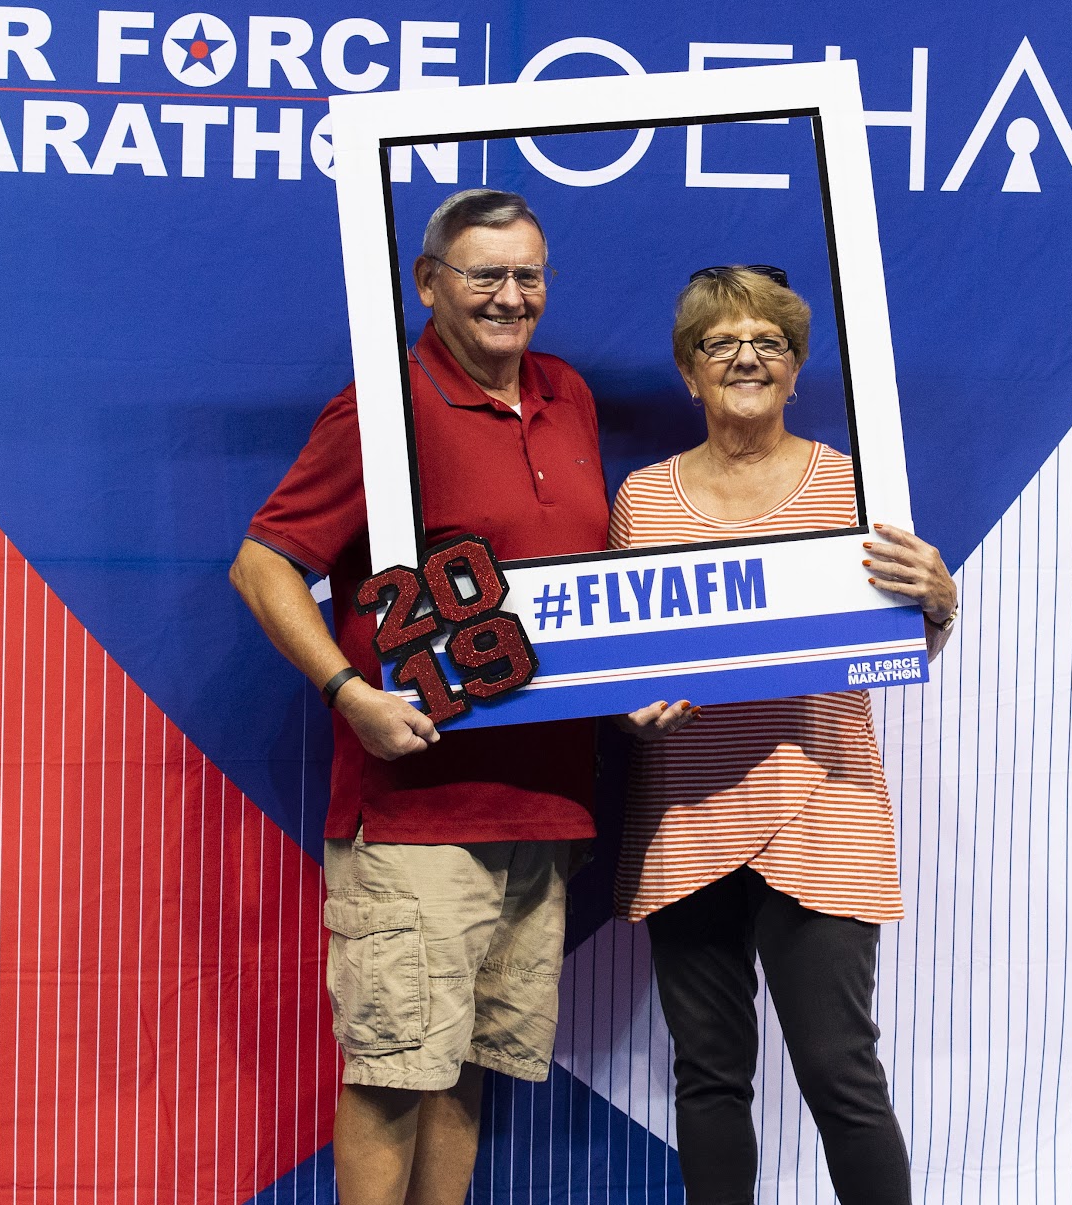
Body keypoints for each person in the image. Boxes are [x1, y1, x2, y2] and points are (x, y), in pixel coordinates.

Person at [230, 189, 611, 1205]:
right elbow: (263, 565)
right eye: (484, 275)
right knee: (395, 1071)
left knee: (468, 1068)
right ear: (429, 282)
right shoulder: (385, 405)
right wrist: (348, 690)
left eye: (528, 274)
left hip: (544, 806)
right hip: (418, 814)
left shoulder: (567, 394)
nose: (509, 296)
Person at [609, 265, 957, 1205]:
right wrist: (628, 704)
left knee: (840, 1069)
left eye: (769, 342)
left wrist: (939, 601)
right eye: (720, 342)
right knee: (708, 1072)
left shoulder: (853, 487)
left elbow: (902, 635)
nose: (746, 357)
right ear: (689, 371)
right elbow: (621, 660)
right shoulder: (642, 499)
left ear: (797, 369)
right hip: (688, 817)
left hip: (823, 809)